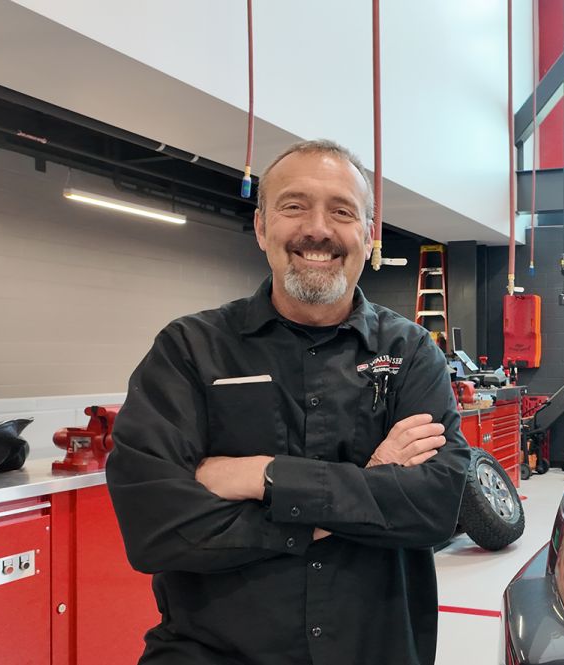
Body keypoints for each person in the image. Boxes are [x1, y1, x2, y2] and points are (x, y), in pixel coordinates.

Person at [106, 138, 471, 665]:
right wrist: (367, 487)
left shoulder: (410, 353)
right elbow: (155, 528)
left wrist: (264, 475)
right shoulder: (189, 350)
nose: (318, 229)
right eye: (294, 206)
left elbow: (435, 506)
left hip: (375, 649)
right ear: (261, 228)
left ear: (368, 237)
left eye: (342, 211)